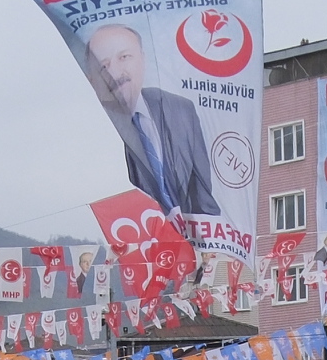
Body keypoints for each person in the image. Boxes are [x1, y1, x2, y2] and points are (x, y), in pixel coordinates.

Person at [85, 20, 224, 218]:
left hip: (190, 240)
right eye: (103, 66)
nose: (114, 73)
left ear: (143, 59)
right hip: (140, 240)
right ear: (92, 80)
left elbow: (203, 196)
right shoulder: (93, 134)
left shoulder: (180, 109)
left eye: (124, 57)